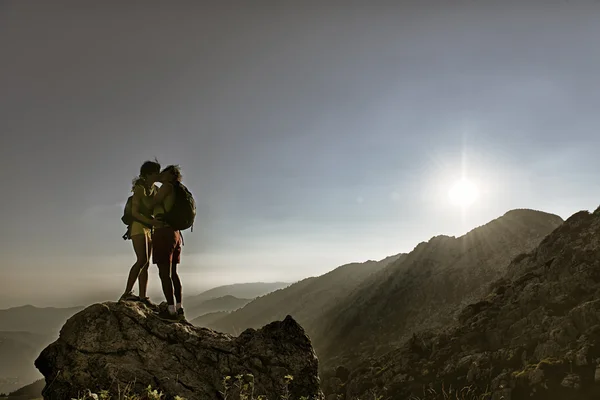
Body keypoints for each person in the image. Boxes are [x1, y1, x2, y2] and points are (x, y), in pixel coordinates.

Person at [119, 160, 164, 304]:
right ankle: (127, 293)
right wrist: (151, 222)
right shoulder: (140, 187)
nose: (159, 174)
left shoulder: (155, 189)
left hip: (149, 228)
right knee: (142, 260)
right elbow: (135, 212)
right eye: (157, 172)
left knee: (146, 263)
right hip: (138, 225)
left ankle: (143, 297)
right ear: (149, 173)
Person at [148, 165, 186, 320]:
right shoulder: (179, 188)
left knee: (164, 273)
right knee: (174, 273)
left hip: (163, 232)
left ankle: (170, 312)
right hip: (176, 233)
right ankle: (179, 307)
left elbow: (150, 205)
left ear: (169, 174)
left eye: (163, 173)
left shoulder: (166, 187)